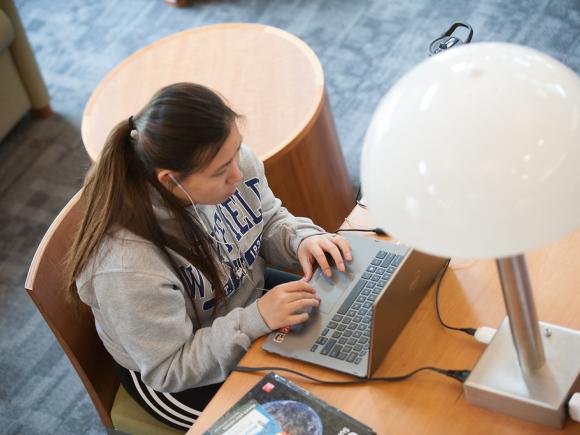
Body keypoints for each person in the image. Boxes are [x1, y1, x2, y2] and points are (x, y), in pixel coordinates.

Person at [65, 82, 352, 430]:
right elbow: (168, 368)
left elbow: (268, 218)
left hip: (245, 301)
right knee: (313, 417)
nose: (239, 173)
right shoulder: (127, 267)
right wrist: (257, 319)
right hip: (178, 373)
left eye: (237, 152)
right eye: (221, 171)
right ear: (170, 181)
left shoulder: (231, 163)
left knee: (345, 340)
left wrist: (300, 240)